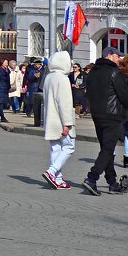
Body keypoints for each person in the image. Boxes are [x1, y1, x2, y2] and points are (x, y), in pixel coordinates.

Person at [82, 46, 128, 195]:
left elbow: (89, 93)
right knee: (107, 149)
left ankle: (112, 183)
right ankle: (91, 179)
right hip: (113, 116)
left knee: (106, 149)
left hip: (97, 115)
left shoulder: (93, 72)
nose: (120, 59)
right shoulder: (115, 73)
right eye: (118, 56)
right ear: (109, 55)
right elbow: (124, 95)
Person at [41, 50, 76, 189]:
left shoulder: (49, 77)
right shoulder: (63, 78)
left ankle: (58, 178)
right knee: (69, 146)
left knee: (55, 148)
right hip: (61, 120)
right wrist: (67, 123)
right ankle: (52, 171)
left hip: (51, 119)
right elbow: (65, 103)